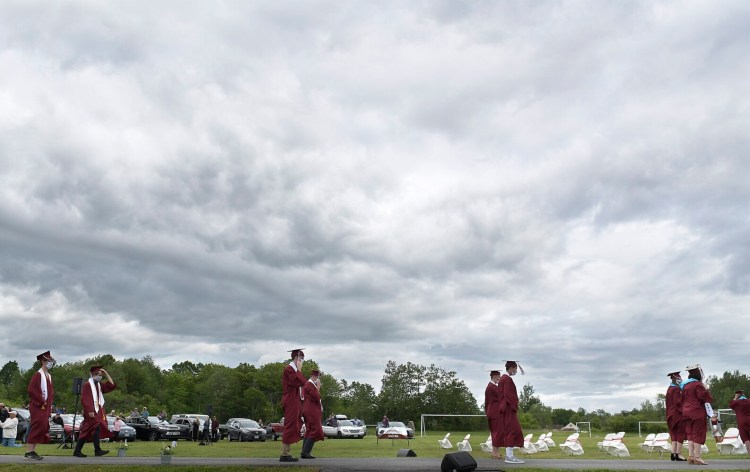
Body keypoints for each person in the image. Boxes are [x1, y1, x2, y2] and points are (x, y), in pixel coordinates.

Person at [74, 365, 117, 457]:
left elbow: (111, 385)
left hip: (96, 411)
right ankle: (94, 450)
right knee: (91, 428)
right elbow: (85, 399)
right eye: (98, 374)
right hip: (90, 412)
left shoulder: (99, 385)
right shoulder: (87, 385)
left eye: (101, 375)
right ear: (92, 375)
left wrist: (106, 374)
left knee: (92, 429)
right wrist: (90, 410)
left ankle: (84, 450)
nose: (99, 376)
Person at [681, 363, 713, 465]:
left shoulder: (685, 385)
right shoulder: (698, 385)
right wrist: (706, 389)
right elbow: (703, 397)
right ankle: (697, 457)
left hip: (686, 411)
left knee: (690, 433)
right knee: (698, 433)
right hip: (696, 411)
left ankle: (691, 456)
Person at [25, 350, 55, 460]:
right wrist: (41, 401)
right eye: (49, 360)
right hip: (38, 406)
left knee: (42, 427)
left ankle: (33, 451)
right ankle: (29, 451)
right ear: (43, 361)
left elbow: (50, 392)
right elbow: (32, 390)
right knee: (36, 427)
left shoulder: (48, 376)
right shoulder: (38, 375)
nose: (51, 362)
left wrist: (49, 405)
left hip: (45, 407)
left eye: (52, 360)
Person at [280, 348, 307, 462]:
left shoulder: (294, 369)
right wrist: (299, 371)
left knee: (294, 424)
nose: (302, 361)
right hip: (290, 399)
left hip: (295, 399)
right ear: (296, 358)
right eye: (301, 358)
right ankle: (285, 453)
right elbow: (298, 382)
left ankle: (287, 452)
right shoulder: (289, 369)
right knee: (290, 424)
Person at [498, 360, 525, 464]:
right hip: (509, 408)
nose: (516, 371)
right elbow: (509, 395)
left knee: (513, 430)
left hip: (505, 408)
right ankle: (509, 457)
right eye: (515, 369)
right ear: (512, 368)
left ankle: (510, 456)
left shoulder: (502, 379)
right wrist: (515, 405)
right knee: (513, 430)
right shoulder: (507, 379)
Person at [301, 369, 324, 459]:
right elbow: (315, 397)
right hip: (311, 411)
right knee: (316, 430)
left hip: (309, 410)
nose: (318, 380)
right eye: (318, 377)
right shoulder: (309, 385)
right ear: (314, 377)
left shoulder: (309, 385)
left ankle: (304, 452)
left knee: (309, 430)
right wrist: (318, 388)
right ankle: (306, 451)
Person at [665, 371, 687, 461]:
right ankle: (678, 454)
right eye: (679, 378)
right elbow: (677, 403)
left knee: (673, 433)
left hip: (669, 414)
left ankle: (673, 453)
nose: (680, 379)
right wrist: (684, 412)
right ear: (675, 379)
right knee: (680, 433)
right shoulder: (676, 389)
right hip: (677, 414)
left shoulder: (669, 388)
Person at [485, 369, 504, 459]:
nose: (499, 378)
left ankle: (496, 452)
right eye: (498, 377)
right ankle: (495, 453)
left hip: (493, 412)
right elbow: (501, 395)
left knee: (497, 432)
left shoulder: (492, 387)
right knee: (497, 432)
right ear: (494, 376)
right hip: (494, 413)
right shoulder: (492, 387)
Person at [729, 390, 750, 454]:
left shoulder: (737, 402)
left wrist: (735, 398)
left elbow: (731, 405)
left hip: (741, 421)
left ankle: (749, 452)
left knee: (745, 437)